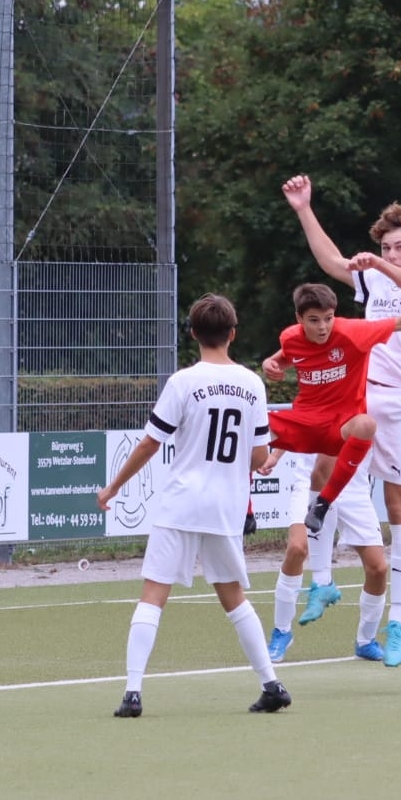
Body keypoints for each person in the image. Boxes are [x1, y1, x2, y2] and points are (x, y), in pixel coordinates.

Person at [278, 174, 401, 668]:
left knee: (398, 505)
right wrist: (304, 209)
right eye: (386, 247)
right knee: (323, 474)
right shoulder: (374, 275)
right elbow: (331, 262)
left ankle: (399, 620)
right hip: (362, 397)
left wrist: (380, 264)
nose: (392, 253)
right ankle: (322, 581)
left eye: (400, 246)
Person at [95, 293, 290, 718]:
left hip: (181, 504)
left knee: (153, 595)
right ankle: (271, 683)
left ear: (194, 334)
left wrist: (113, 488)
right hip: (226, 509)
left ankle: (132, 692)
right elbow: (259, 457)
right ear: (233, 333)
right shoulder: (252, 383)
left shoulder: (183, 382)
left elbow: (150, 443)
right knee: (235, 598)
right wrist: (259, 458)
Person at [259, 282, 401, 664]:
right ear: (299, 320)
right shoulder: (292, 339)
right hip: (307, 458)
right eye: (314, 320)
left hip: (346, 472)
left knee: (378, 567)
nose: (323, 327)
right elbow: (286, 361)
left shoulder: (353, 333)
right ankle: (283, 631)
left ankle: (365, 639)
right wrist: (273, 364)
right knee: (296, 547)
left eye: (328, 319)